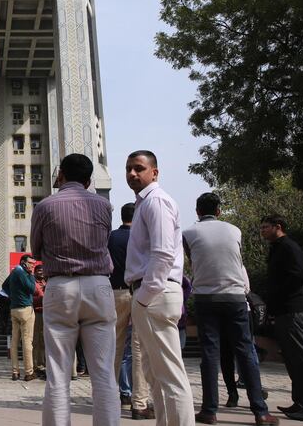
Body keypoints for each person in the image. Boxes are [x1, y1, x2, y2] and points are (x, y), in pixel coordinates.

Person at [31, 153, 118, 426]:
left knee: (58, 373)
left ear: (61, 175)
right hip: (98, 285)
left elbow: (36, 250)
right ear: (90, 179)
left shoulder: (45, 206)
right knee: (103, 372)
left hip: (60, 286)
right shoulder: (104, 206)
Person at [183, 193, 278, 425]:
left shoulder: (188, 233)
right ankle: (261, 412)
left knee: (210, 354)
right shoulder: (235, 230)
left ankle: (209, 410)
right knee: (245, 352)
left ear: (197, 211)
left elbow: (192, 260)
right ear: (219, 211)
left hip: (206, 298)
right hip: (236, 297)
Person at [123, 150, 194, 425]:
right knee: (156, 373)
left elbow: (163, 254)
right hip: (151, 294)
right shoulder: (145, 203)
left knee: (169, 375)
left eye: (139, 168)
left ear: (154, 172)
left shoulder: (157, 202)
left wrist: (144, 297)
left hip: (155, 294)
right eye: (129, 168)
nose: (132, 173)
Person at [261, 214, 303, 422]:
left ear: (278, 227)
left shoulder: (289, 247)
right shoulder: (277, 248)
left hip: (293, 309)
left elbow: (298, 277)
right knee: (292, 359)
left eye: (265, 227)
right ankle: (301, 402)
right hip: (282, 311)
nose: (262, 231)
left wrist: (277, 295)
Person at [108, 202, 135, 406]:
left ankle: (120, 390)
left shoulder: (111, 237)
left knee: (118, 344)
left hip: (116, 292)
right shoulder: (140, 237)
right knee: (139, 346)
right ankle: (138, 393)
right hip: (139, 292)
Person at [2, 255, 37, 381]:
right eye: (31, 263)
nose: (33, 265)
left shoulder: (14, 271)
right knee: (27, 341)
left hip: (14, 309)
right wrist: (32, 275)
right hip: (25, 309)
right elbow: (32, 289)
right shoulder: (22, 272)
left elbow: (4, 286)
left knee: (14, 341)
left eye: (34, 263)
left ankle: (15, 372)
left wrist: (14, 296)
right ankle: (29, 372)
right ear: (23, 262)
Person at [32, 264, 47, 377]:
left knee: (44, 341)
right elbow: (30, 298)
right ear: (35, 272)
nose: (41, 273)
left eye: (42, 270)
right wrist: (41, 299)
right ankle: (35, 364)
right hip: (37, 313)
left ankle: (43, 363)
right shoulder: (33, 283)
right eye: (39, 271)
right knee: (36, 340)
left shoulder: (47, 282)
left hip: (48, 314)